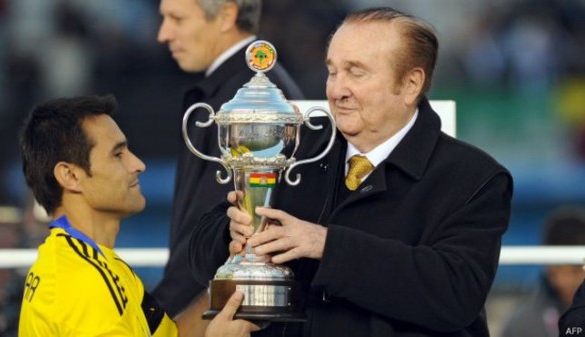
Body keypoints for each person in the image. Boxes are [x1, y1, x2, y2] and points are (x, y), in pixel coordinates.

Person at [187, 7, 513, 337]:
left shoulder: (474, 177)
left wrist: (326, 245)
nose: (336, 90)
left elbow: (455, 294)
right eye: (332, 71)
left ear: (411, 83)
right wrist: (231, 235)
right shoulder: (298, 147)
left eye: (356, 73)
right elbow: (198, 252)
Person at [17, 95, 259, 337]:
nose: (138, 164)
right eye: (117, 154)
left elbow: (172, 334)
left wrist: (231, 276)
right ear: (70, 176)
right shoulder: (80, 282)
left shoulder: (98, 264)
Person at [154, 0, 304, 333]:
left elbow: (202, 233)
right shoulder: (234, 90)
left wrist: (162, 323)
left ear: (225, 16)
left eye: (176, 18)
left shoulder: (244, 100)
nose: (163, 34)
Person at [501, 206, 585, 337]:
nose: (565, 280)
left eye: (576, 271)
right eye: (557, 270)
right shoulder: (522, 324)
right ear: (547, 266)